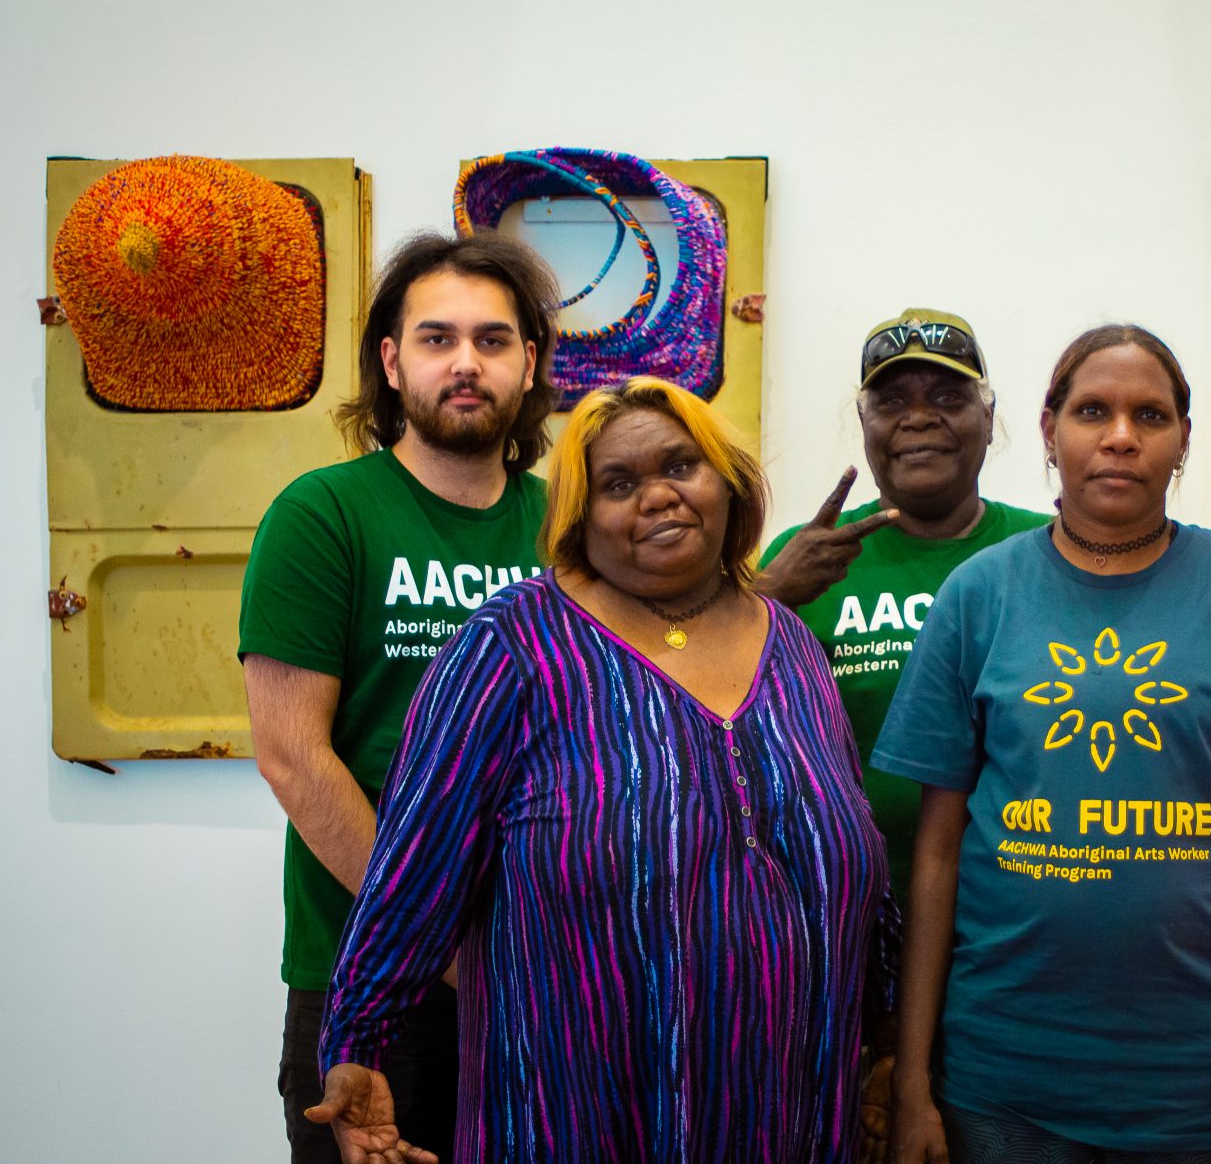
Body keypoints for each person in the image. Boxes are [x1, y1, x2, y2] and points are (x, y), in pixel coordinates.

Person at [310, 376, 889, 1164]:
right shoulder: (510, 650)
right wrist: (357, 1041)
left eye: (681, 466)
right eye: (619, 484)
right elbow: (413, 871)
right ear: (582, 520)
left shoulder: (791, 646)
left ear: (728, 482)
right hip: (577, 1120)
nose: (658, 497)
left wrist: (888, 1042)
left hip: (789, 1115)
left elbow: (858, 865)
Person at [876, 325, 1211, 1164]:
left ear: (1184, 441)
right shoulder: (979, 594)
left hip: (1204, 1085)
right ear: (1047, 430)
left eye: (1150, 415)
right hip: (1003, 1081)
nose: (1119, 436)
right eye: (1092, 411)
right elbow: (936, 856)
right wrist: (913, 1083)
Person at [240, 231, 559, 1164]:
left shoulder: (569, 526)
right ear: (391, 360)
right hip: (369, 981)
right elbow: (294, 757)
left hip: (541, 982)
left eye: (494, 340)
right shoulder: (323, 513)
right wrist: (442, 944)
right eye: (436, 338)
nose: (466, 363)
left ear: (529, 363)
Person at [760, 308, 1050, 906]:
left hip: (1017, 902)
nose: (919, 418)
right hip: (844, 903)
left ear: (989, 418)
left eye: (948, 396)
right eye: (890, 402)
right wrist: (765, 596)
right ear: (863, 423)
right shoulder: (802, 557)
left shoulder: (1051, 551)